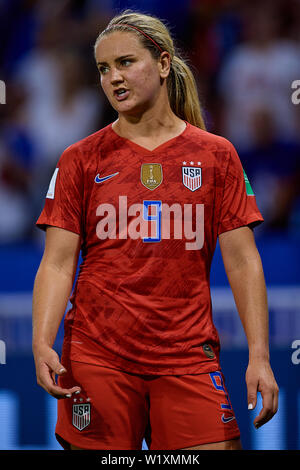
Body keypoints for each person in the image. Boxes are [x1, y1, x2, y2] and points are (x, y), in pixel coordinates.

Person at [32, 9, 279, 451]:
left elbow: (243, 260)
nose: (113, 78)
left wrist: (259, 356)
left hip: (187, 356)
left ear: (164, 64)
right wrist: (41, 342)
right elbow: (57, 261)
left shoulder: (216, 156)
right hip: (97, 357)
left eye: (126, 62)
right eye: (104, 69)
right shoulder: (79, 159)